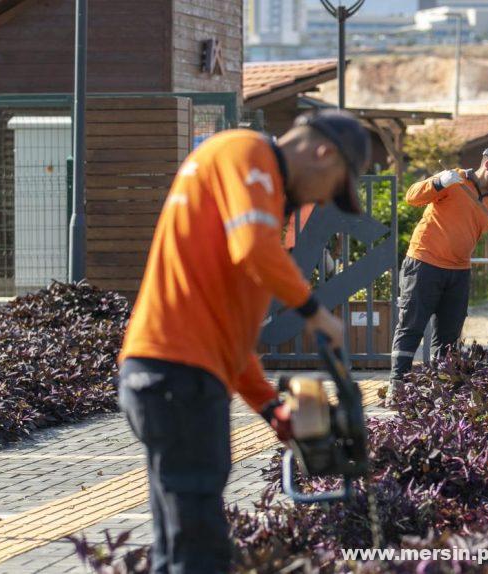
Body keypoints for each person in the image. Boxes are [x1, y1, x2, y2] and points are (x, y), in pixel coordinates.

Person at [117, 109, 371, 574]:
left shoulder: (254, 211)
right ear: (323, 152)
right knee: (198, 546)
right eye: (335, 187)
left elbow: (232, 338)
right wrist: (315, 313)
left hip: (177, 374)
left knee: (181, 539)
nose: (325, 200)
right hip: (177, 375)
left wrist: (270, 407)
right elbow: (254, 248)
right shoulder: (245, 151)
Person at [388, 144, 488, 404]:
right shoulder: (454, 181)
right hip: (424, 263)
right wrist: (437, 182)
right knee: (411, 326)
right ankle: (397, 389)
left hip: (459, 271)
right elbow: (412, 196)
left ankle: (441, 394)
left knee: (449, 337)